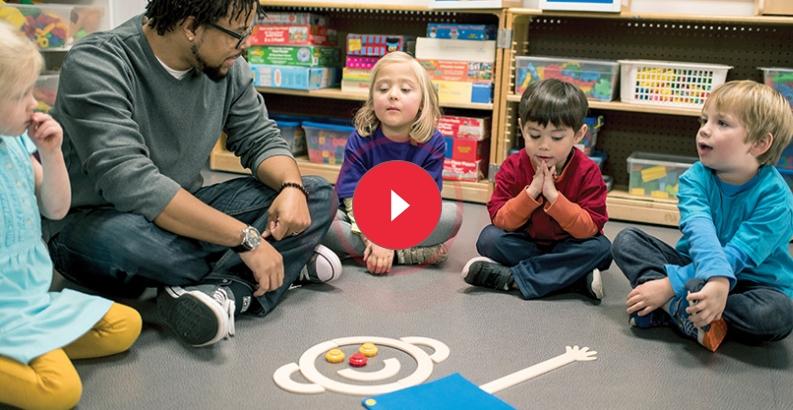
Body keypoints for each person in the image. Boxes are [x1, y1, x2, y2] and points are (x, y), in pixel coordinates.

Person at [45, 0, 340, 348]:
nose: (246, 44)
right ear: (190, 27)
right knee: (129, 244)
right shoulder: (97, 62)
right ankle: (274, 264)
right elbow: (132, 184)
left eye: (249, 32)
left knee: (316, 193)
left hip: (183, 208)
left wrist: (291, 188)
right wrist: (247, 239)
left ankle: (224, 290)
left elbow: (260, 138)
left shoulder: (229, 66)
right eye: (237, 34)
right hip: (97, 222)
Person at [0, 23, 141, 409]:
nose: (34, 103)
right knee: (60, 392)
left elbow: (56, 207)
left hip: (31, 299)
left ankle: (30, 352)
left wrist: (51, 153)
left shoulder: (13, 146)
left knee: (125, 325)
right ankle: (26, 354)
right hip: (4, 315)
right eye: (20, 95)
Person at [612, 80, 793, 352]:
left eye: (722, 123)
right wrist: (700, 281)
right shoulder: (694, 178)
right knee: (626, 240)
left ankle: (676, 306)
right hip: (694, 267)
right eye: (704, 120)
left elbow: (737, 255)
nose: (704, 131)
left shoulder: (778, 199)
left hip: (752, 284)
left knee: (776, 316)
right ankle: (694, 312)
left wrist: (671, 284)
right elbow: (700, 232)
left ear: (759, 143)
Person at [462, 79, 611, 300]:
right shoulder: (512, 166)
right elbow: (500, 220)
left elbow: (589, 229)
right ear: (522, 128)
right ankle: (574, 277)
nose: (544, 145)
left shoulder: (588, 171)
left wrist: (553, 196)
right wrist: (531, 192)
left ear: (579, 134)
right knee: (489, 239)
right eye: (534, 135)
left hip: (570, 244)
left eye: (557, 137)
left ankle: (512, 278)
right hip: (527, 243)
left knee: (602, 250)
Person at [321, 51, 461, 275]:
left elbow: (425, 204)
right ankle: (404, 254)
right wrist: (374, 236)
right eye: (383, 89)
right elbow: (350, 197)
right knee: (324, 217)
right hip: (362, 217)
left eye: (405, 90)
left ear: (422, 100)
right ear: (372, 98)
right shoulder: (360, 139)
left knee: (451, 216)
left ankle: (373, 252)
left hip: (407, 217)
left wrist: (387, 237)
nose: (393, 96)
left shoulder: (433, 142)